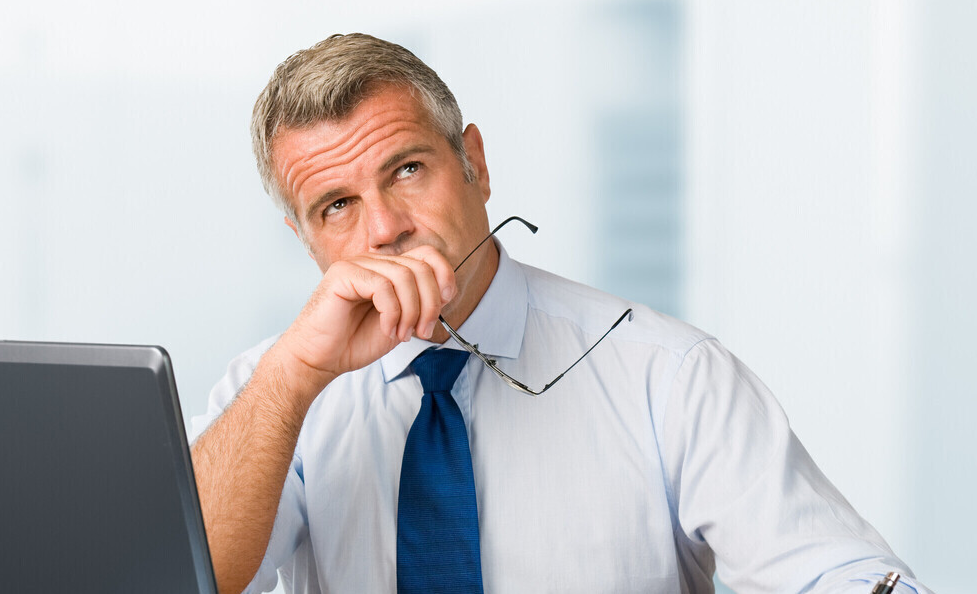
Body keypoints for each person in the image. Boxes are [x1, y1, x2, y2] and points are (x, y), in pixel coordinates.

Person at [189, 33, 932, 594]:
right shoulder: (272, 390)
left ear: (475, 164)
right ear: (305, 239)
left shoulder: (670, 376)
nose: (385, 229)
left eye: (407, 169)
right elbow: (187, 581)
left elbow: (836, 573)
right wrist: (293, 377)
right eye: (336, 206)